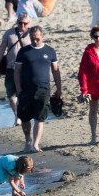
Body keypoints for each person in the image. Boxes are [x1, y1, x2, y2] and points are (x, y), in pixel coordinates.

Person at [14, 25, 61, 153]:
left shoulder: (50, 51)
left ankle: (35, 144)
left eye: (37, 39)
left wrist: (59, 88)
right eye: (33, 38)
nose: (35, 41)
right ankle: (28, 140)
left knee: (40, 117)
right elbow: (17, 72)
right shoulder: (23, 52)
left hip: (43, 89)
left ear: (42, 37)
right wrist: (18, 89)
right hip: (25, 90)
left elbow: (56, 71)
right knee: (24, 118)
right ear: (30, 37)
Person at [0, 13, 33, 124]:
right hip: (11, 68)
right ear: (17, 21)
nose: (23, 25)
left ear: (29, 23)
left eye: (25, 23)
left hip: (26, 70)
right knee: (11, 95)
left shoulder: (32, 34)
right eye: (20, 22)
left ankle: (22, 114)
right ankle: (17, 115)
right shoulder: (9, 33)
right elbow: (1, 49)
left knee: (23, 94)